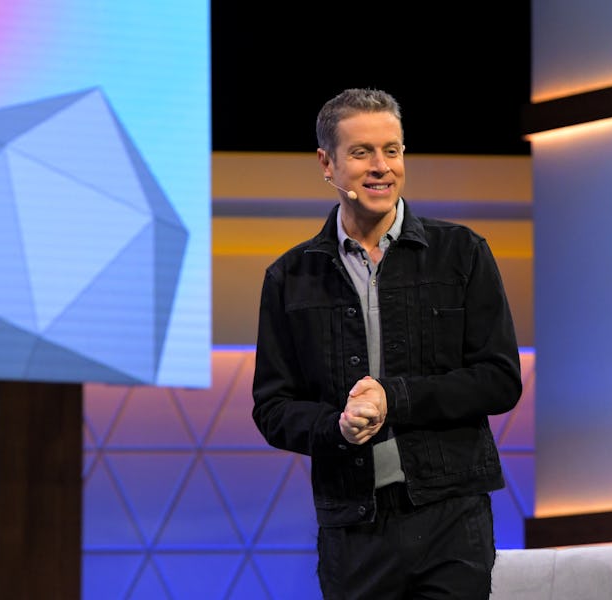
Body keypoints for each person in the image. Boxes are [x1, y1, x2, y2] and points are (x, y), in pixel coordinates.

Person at [251, 87, 522, 600]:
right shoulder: (290, 277)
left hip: (450, 516)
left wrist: (392, 398)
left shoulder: (460, 253)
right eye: (362, 153)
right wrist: (336, 426)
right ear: (326, 164)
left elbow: (499, 379)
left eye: (392, 150)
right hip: (352, 527)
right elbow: (273, 407)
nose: (381, 167)